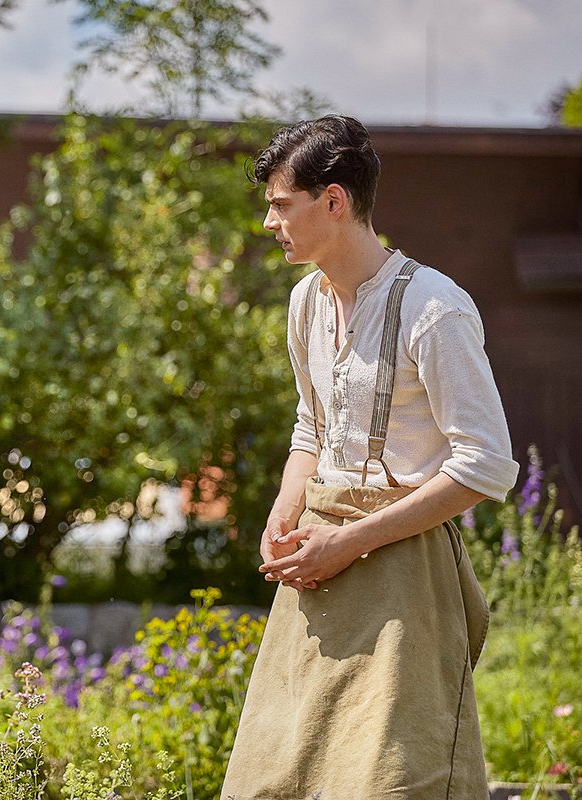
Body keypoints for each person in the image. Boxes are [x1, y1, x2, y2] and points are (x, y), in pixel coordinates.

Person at [219, 116, 518, 799]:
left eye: (279, 204)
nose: (269, 222)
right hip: (318, 565)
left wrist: (351, 541)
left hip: (404, 570)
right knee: (279, 773)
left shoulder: (434, 307)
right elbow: (312, 428)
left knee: (389, 778)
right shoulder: (303, 305)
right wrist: (283, 512)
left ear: (334, 201)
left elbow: (485, 465)